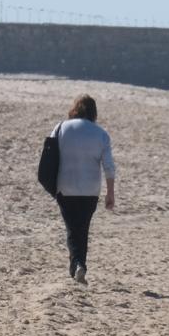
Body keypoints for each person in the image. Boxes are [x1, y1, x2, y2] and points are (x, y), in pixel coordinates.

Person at [48, 94, 116, 284]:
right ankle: (80, 265)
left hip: (65, 186)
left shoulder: (61, 127)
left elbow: (49, 155)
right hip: (90, 190)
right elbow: (109, 166)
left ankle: (77, 265)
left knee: (72, 228)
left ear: (75, 109)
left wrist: (48, 182)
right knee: (82, 229)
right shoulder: (101, 134)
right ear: (94, 112)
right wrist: (110, 192)